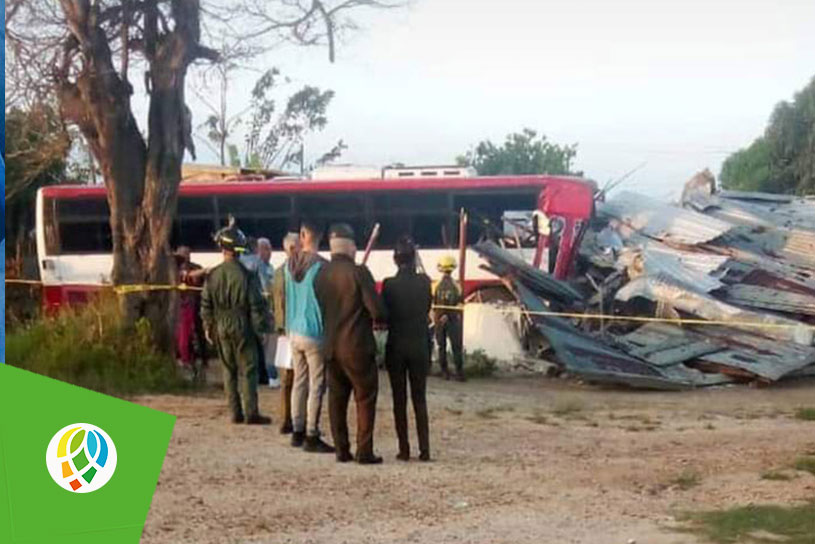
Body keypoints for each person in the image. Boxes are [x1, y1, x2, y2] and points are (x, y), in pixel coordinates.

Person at [315, 223, 387, 464]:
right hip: (356, 346)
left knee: (336, 400)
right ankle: (364, 451)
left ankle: (341, 450)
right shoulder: (359, 273)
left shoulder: (320, 275)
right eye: (355, 244)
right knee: (365, 398)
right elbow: (377, 311)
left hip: (330, 347)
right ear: (348, 246)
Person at [201, 218, 271, 425]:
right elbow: (256, 304)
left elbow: (206, 303)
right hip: (243, 324)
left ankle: (235, 412)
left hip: (221, 325)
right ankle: (252, 413)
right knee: (248, 369)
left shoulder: (212, 275)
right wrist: (262, 329)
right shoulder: (247, 275)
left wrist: (207, 325)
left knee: (228, 369)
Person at [285, 220, 334, 453]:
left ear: (303, 235)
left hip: (293, 329)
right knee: (317, 385)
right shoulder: (323, 266)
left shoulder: (288, 264)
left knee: (298, 381)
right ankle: (312, 434)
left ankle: (297, 429)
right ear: (321, 237)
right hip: (314, 331)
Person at [382, 237, 432, 462]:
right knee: (420, 399)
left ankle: (404, 449)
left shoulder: (389, 285)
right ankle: (425, 449)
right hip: (420, 345)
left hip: (397, 347)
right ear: (413, 258)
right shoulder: (425, 282)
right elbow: (428, 307)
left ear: (395, 260)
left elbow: (384, 313)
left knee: (399, 400)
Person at [273, 232, 300, 434]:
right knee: (301, 378)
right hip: (298, 330)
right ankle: (300, 420)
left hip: (283, 332)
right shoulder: (303, 272)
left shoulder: (278, 272)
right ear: (292, 249)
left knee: (286, 380)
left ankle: (285, 419)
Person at [241, 238, 275, 386]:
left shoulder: (238, 263)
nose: (269, 252)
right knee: (264, 343)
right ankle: (266, 375)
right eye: (265, 249)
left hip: (241, 309)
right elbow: (265, 286)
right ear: (257, 249)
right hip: (259, 308)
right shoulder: (257, 263)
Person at [433, 255, 466, 381]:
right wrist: (449, 314)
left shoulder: (435, 285)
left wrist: (439, 316)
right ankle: (459, 373)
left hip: (439, 320)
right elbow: (460, 303)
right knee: (456, 346)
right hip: (453, 320)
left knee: (441, 346)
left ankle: (444, 372)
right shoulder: (457, 286)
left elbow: (433, 303)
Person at [174, 246, 206, 375]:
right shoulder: (174, 270)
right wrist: (205, 270)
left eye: (188, 254)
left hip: (194, 304)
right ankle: (185, 359)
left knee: (194, 333)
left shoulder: (195, 266)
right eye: (183, 255)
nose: (186, 257)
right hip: (182, 306)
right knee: (183, 335)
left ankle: (198, 358)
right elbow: (187, 276)